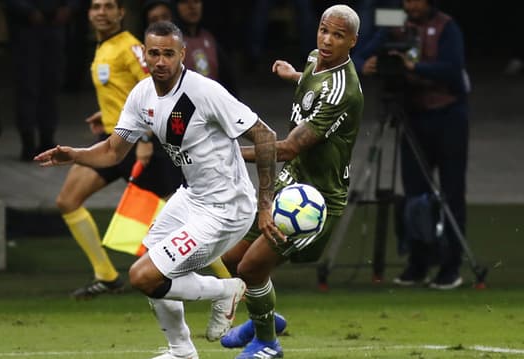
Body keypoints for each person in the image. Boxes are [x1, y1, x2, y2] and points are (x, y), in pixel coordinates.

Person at [35, 20, 280, 359]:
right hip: (192, 197)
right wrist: (73, 154)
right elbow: (112, 151)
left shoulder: (204, 91)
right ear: (145, 55)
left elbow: (265, 136)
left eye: (168, 53)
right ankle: (181, 351)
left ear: (182, 54)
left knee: (143, 276)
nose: (161, 60)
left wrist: (265, 204)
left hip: (227, 208)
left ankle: (226, 290)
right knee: (149, 261)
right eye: (154, 53)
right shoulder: (142, 95)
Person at [220, 5, 363, 358]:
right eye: (323, 30)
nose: (327, 40)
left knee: (253, 267)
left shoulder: (344, 92)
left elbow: (285, 148)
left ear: (353, 42)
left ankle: (267, 343)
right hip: (292, 182)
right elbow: (315, 80)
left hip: (316, 202)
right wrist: (294, 75)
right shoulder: (317, 59)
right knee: (231, 259)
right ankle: (262, 318)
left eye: (338, 35)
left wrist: (228, 153)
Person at [55, 0, 183, 300]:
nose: (101, 12)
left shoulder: (131, 48)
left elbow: (154, 89)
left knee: (183, 215)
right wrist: (108, 114)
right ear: (88, 14)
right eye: (96, 7)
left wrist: (148, 140)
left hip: (139, 144)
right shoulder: (104, 47)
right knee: (67, 200)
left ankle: (230, 277)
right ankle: (106, 275)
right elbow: (127, 92)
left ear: (121, 13)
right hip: (114, 142)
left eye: (109, 6)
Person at [353, 0, 470, 290]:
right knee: (415, 194)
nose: (410, 5)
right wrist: (364, 64)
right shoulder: (395, 21)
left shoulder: (446, 26)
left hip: (448, 116)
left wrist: (414, 66)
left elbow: (453, 69)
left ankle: (450, 265)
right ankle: (418, 262)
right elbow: (359, 54)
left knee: (451, 193)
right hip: (413, 117)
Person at [5, 0, 79, 160]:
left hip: (54, 29)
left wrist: (68, 9)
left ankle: (47, 139)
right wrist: (28, 11)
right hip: (26, 30)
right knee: (27, 89)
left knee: (51, 87)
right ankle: (28, 142)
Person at [175, 0, 238, 96]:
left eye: (196, 1)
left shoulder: (210, 39)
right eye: (184, 2)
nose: (192, 6)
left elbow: (229, 83)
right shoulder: (171, 41)